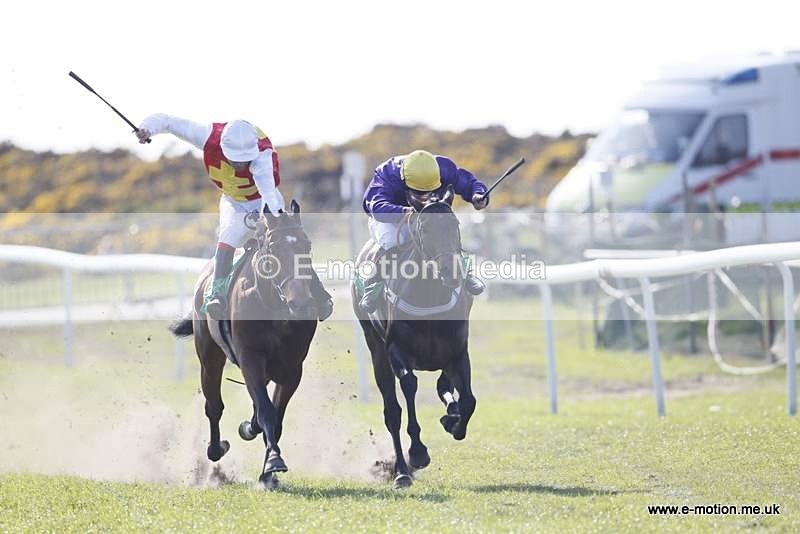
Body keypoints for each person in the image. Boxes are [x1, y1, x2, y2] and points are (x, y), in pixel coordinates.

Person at [136, 115, 333, 320]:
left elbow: (268, 193)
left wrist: (267, 221)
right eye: (235, 160)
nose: (240, 165)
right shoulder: (207, 137)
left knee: (286, 241)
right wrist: (147, 129)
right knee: (227, 236)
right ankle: (217, 293)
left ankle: (319, 294)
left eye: (245, 160)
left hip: (264, 200)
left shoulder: (262, 155)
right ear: (223, 149)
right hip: (234, 202)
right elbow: (170, 122)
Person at [359, 149, 489, 313]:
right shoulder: (387, 173)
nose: (426, 195)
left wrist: (478, 195)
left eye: (431, 189)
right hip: (391, 218)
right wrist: (405, 213)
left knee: (445, 230)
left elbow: (469, 182)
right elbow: (374, 206)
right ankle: (374, 284)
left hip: (428, 216)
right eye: (420, 192)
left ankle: (465, 274)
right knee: (390, 240)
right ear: (404, 180)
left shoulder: (444, 167)